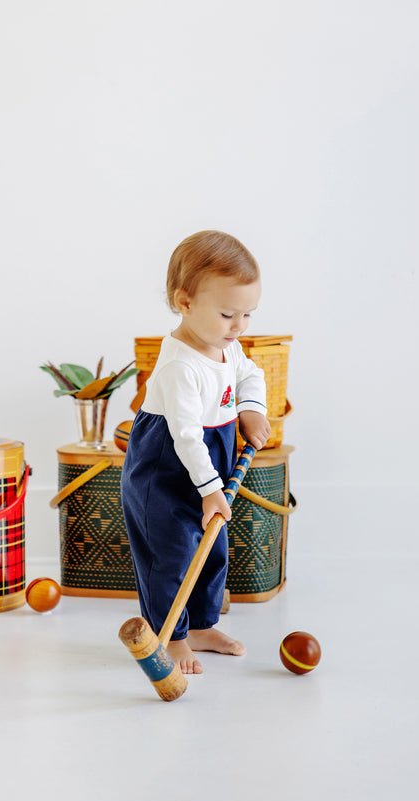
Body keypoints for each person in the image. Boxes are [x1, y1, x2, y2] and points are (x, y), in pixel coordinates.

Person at [121, 230, 271, 674]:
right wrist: (209, 490)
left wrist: (251, 408)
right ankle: (173, 635)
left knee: (212, 548)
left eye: (247, 314)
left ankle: (202, 626)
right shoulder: (180, 367)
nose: (240, 326)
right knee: (171, 555)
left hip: (212, 460)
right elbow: (185, 437)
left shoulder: (228, 348)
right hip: (166, 469)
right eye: (228, 314)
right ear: (185, 303)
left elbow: (250, 374)